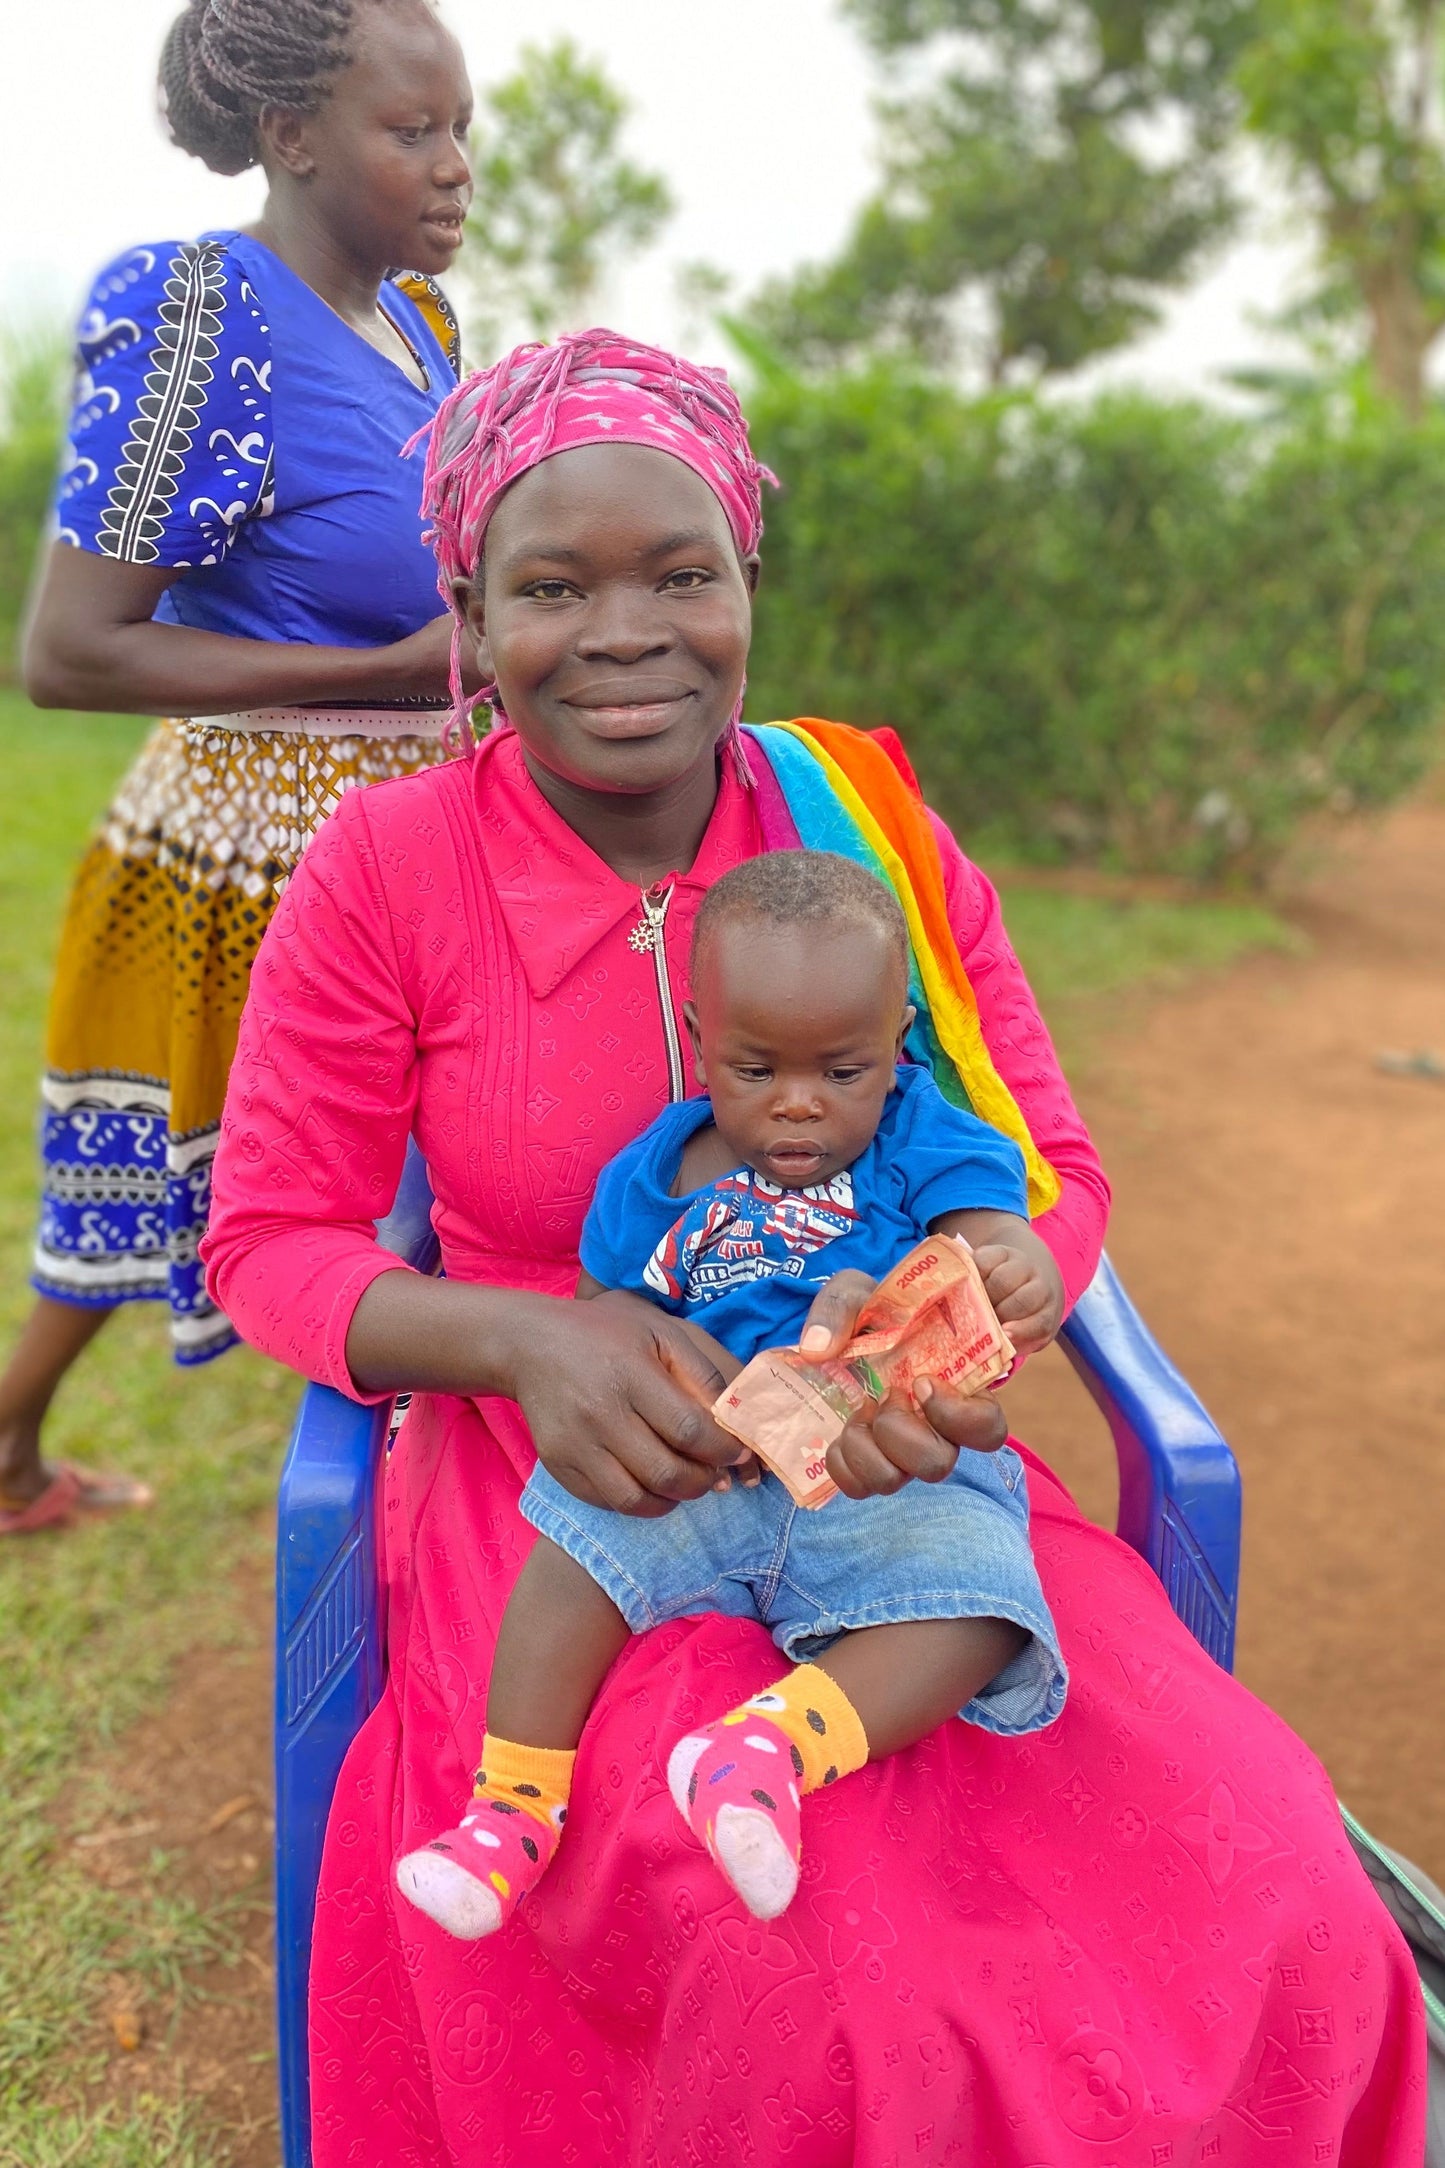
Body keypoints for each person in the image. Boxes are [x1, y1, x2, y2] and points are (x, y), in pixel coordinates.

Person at [203, 330, 1425, 2165]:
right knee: (830, 1982)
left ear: (746, 579)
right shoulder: (388, 868)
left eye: (682, 574)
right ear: (469, 608)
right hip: (575, 1504)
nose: (626, 632)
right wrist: (530, 1345)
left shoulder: (870, 837)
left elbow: (1044, 1169)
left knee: (1275, 1885)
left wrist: (965, 1305)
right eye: (553, 586)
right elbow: (270, 1238)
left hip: (899, 1463)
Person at [397, 849, 1071, 1939]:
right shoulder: (652, 1175)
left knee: (985, 1601)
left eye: (841, 1072)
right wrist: (637, 1349)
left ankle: (763, 1750)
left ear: (894, 1044)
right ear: (701, 1038)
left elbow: (984, 1227)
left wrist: (1009, 1265)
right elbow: (603, 1305)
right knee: (569, 1555)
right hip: (707, 1465)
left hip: (882, 1463)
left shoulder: (919, 1135)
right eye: (757, 1070)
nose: (798, 1106)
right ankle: (507, 1813)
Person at [0, 0, 474, 1534]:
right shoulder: (196, 310)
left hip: (421, 830)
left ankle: (438, 1519)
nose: (458, 167)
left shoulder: (426, 324)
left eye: (462, 128)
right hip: (246, 851)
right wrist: (388, 674)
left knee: (431, 1196)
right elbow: (71, 651)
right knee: (177, 1194)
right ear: (289, 138)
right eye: (416, 131)